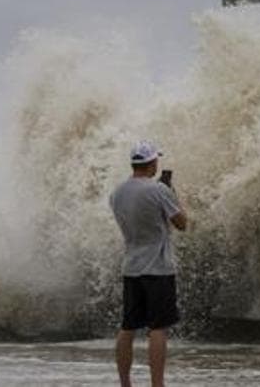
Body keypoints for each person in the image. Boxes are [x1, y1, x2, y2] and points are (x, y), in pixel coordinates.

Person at [110, 140, 188, 387]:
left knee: (128, 327)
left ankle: (125, 383)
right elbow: (182, 223)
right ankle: (157, 384)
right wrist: (171, 194)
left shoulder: (117, 193)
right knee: (158, 329)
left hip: (131, 268)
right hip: (158, 269)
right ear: (151, 162)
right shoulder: (158, 190)